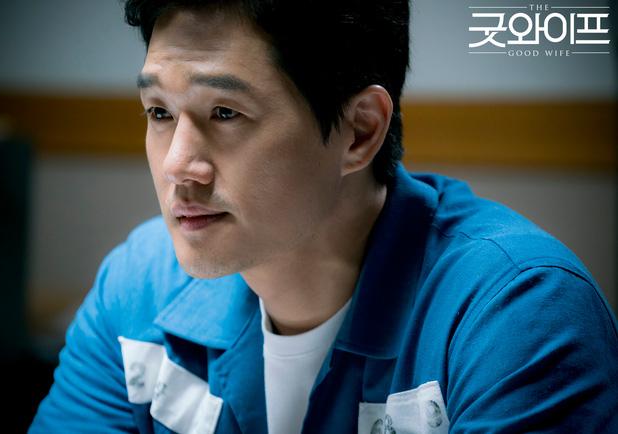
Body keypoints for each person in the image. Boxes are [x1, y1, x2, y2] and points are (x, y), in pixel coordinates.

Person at [30, 0, 618, 433]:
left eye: (226, 112)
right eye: (159, 111)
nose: (177, 166)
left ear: (359, 131)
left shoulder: (518, 311)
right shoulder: (137, 284)